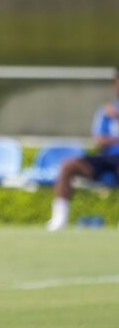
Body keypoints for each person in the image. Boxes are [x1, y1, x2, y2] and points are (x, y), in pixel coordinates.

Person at [47, 70, 119, 231]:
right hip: (105, 158)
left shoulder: (114, 113)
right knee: (68, 166)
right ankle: (59, 220)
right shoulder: (106, 111)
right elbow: (99, 141)